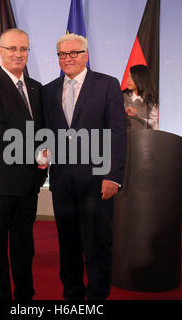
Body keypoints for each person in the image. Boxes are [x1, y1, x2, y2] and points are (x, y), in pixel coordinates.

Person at [42, 34, 127, 300]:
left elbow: (117, 132)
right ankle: (73, 297)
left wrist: (113, 175)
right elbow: (45, 133)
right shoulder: (48, 90)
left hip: (97, 181)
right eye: (62, 55)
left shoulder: (107, 85)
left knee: (98, 244)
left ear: (86, 55)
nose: (68, 59)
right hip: (62, 182)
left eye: (74, 53)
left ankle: (98, 298)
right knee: (68, 246)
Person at [0, 28, 46, 300]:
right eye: (12, 48)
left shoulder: (36, 88)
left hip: (28, 184)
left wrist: (46, 152)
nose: (18, 53)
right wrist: (36, 154)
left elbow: (42, 131)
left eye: (23, 49)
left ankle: (25, 298)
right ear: (0, 51)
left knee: (24, 248)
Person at [124, 64, 159, 129]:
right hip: (121, 137)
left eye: (131, 77)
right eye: (128, 77)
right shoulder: (120, 96)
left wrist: (137, 115)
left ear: (140, 78)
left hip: (140, 137)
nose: (127, 80)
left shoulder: (152, 103)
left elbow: (154, 127)